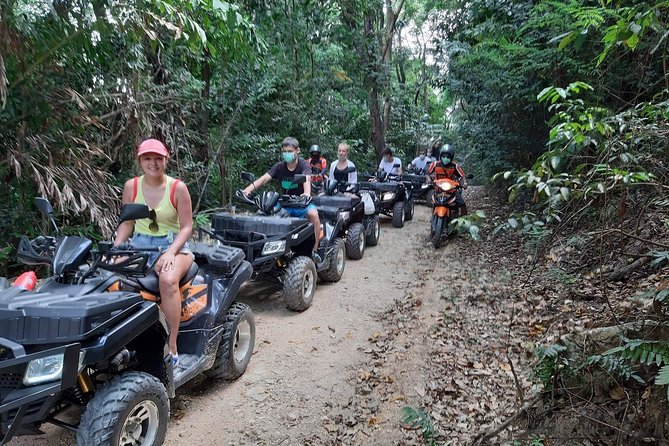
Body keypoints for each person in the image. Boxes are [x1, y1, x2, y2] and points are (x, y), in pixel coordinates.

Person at [114, 138, 193, 365]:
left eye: (158, 158)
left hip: (174, 247)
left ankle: (172, 344)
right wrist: (117, 247)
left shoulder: (177, 188)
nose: (153, 163)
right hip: (139, 246)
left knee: (167, 280)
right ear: (140, 161)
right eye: (147, 158)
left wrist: (170, 252)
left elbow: (187, 226)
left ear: (166, 160)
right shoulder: (132, 186)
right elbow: (127, 223)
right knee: (109, 276)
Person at [243, 137, 322, 263]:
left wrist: (306, 193)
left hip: (302, 203)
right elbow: (264, 179)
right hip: (284, 204)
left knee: (313, 214)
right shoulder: (279, 167)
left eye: (290, 151)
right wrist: (247, 190)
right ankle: (265, 253)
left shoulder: (303, 165)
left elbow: (307, 179)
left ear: (297, 151)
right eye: (285, 151)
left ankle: (315, 249)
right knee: (262, 215)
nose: (287, 154)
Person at [427, 144, 468, 215]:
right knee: (432, 202)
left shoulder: (455, 166)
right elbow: (427, 173)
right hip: (438, 190)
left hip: (451, 191)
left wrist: (464, 183)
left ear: (451, 157)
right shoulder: (435, 164)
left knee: (462, 204)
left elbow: (462, 176)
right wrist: (428, 180)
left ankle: (463, 220)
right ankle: (433, 217)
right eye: (444, 156)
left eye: (448, 157)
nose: (445, 158)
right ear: (440, 156)